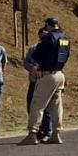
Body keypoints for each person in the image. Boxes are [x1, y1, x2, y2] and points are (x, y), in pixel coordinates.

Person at [20, 16, 71, 145]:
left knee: (37, 104)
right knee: (56, 105)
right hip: (60, 74)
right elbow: (66, 55)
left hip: (47, 75)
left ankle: (32, 133)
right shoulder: (65, 37)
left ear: (48, 25)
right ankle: (56, 133)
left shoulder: (49, 37)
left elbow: (37, 54)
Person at [23, 27, 54, 142]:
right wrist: (32, 68)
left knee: (46, 107)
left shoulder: (52, 49)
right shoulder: (33, 49)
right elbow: (26, 62)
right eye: (41, 36)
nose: (43, 38)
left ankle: (48, 131)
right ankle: (37, 129)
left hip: (45, 82)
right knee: (31, 105)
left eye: (45, 36)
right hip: (34, 81)